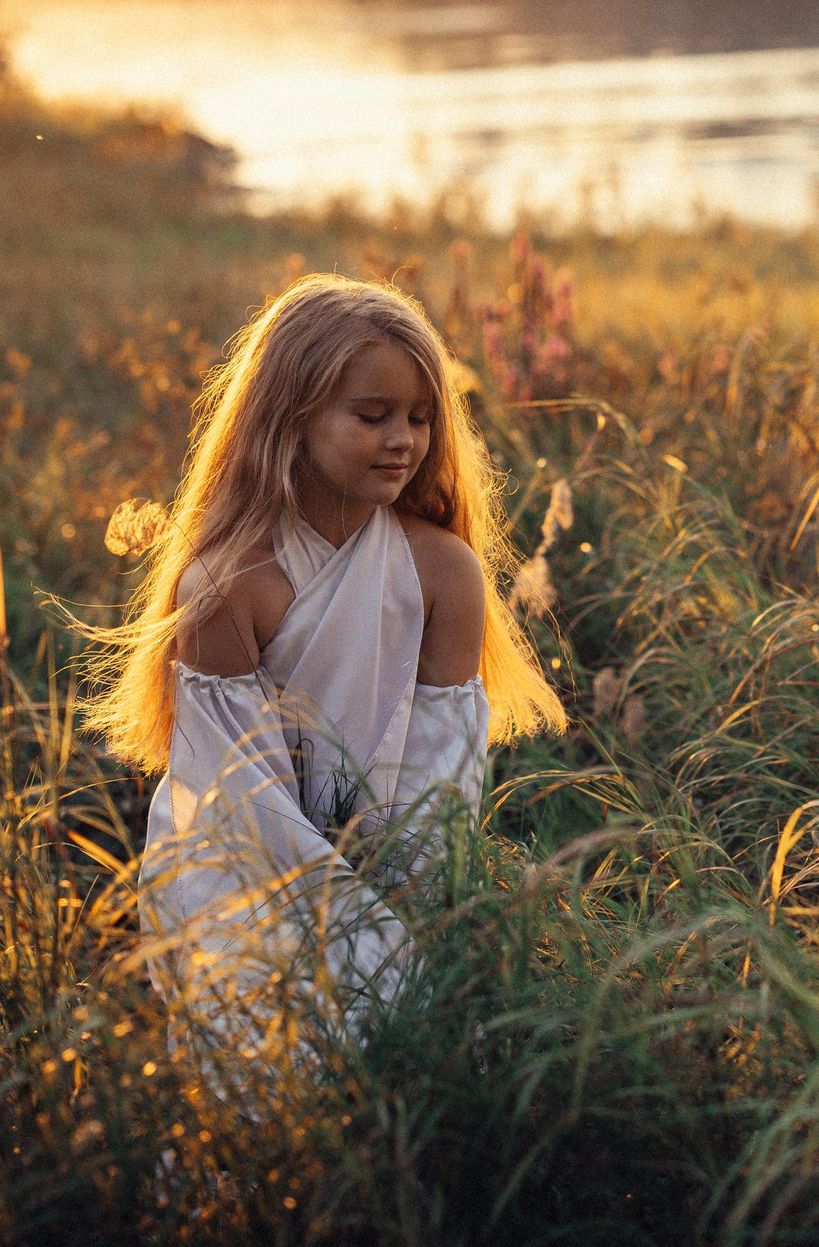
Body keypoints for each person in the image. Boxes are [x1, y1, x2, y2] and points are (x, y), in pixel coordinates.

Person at [88, 275, 563, 1041]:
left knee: (415, 1038)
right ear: (288, 419)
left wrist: (395, 904)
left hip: (396, 871)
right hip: (238, 871)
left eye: (419, 417)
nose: (403, 439)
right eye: (371, 416)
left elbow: (442, 779)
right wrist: (356, 923)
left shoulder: (444, 573)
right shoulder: (228, 582)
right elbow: (239, 796)